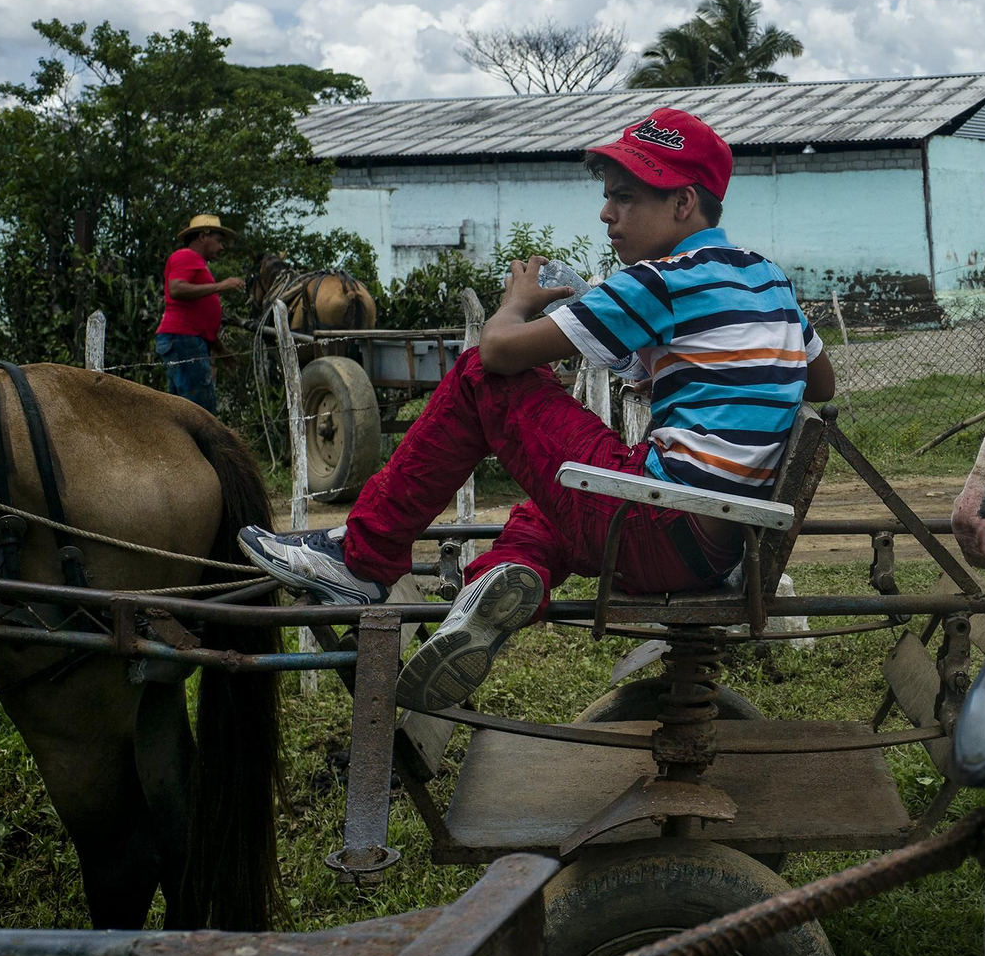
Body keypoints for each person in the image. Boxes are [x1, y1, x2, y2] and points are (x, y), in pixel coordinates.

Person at [239, 109, 837, 710]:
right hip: (716, 545)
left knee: (481, 378)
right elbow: (822, 382)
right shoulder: (768, 279)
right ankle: (501, 577)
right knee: (545, 511)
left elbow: (498, 351)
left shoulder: (660, 280)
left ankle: (362, 557)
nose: (607, 213)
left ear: (683, 203)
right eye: (608, 197)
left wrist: (516, 301)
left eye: (625, 198)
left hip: (658, 527)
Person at [157, 215, 245, 413]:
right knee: (200, 411)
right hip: (184, 339)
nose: (221, 247)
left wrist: (221, 350)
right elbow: (176, 289)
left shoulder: (196, 262)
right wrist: (221, 286)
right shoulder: (185, 256)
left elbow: (201, 318)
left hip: (187, 340)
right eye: (218, 240)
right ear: (203, 236)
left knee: (185, 409)